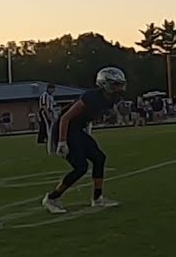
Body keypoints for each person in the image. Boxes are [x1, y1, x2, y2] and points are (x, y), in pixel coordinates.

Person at [41, 67, 126, 214]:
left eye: (120, 84)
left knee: (99, 158)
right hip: (65, 129)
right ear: (104, 84)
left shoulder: (111, 99)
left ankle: (97, 198)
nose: (118, 88)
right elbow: (66, 118)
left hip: (77, 130)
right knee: (81, 167)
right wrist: (62, 142)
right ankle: (51, 198)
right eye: (115, 84)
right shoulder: (91, 96)